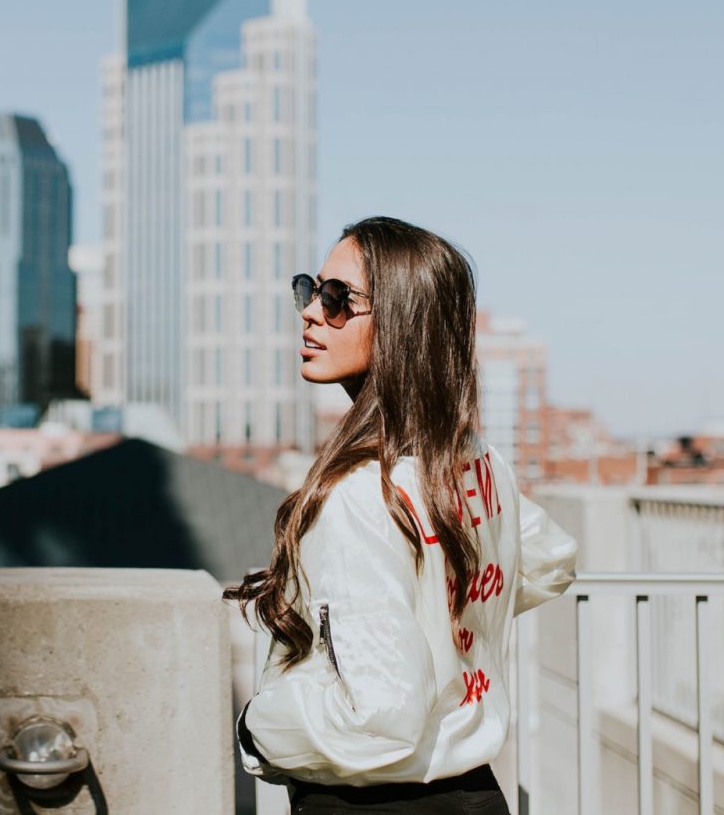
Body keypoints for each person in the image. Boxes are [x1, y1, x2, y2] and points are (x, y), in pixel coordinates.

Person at [225, 217, 579, 814]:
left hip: (371, 801)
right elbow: (547, 559)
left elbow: (380, 721)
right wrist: (443, 612)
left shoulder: (359, 495)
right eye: (311, 289)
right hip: (475, 795)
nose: (311, 311)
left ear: (401, 325)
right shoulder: (473, 461)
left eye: (338, 299)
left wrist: (259, 727)